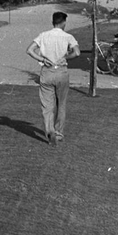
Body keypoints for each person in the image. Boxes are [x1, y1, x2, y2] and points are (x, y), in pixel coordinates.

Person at [27, 11, 81, 146]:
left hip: (47, 71)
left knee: (47, 105)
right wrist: (65, 57)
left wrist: (42, 59)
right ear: (63, 23)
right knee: (61, 104)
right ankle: (59, 133)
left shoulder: (43, 35)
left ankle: (49, 130)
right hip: (61, 71)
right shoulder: (68, 37)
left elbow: (29, 50)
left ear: (53, 22)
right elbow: (77, 52)